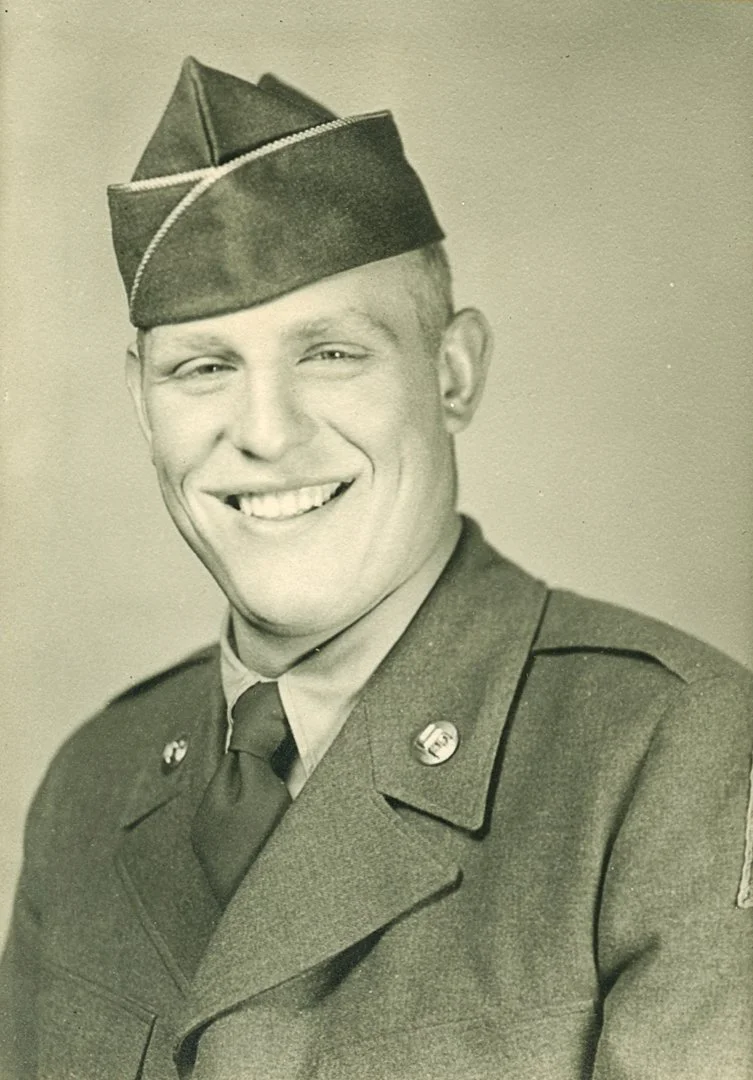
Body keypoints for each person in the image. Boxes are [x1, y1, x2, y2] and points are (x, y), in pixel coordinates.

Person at [1, 56, 751, 1080]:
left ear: (452, 373)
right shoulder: (92, 786)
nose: (264, 435)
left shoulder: (670, 760)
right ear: (143, 404)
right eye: (204, 367)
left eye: (332, 354)